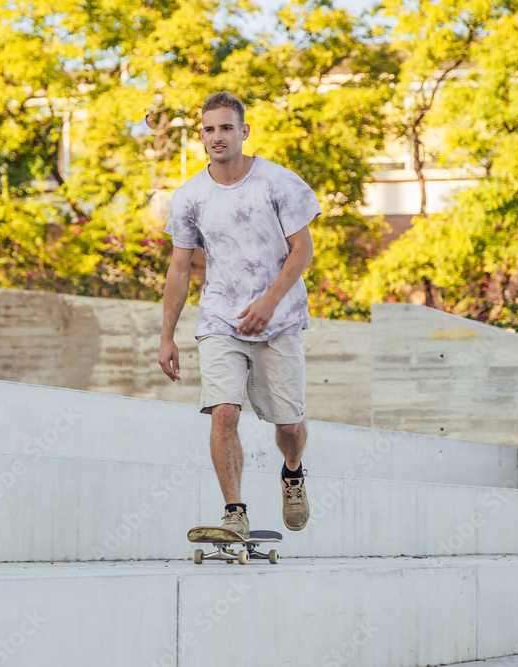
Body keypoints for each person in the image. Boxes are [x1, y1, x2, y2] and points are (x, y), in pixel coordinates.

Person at [158, 91, 321, 538]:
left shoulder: (277, 182)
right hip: (219, 319)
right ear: (201, 135)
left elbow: (302, 248)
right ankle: (235, 511)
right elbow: (179, 266)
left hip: (279, 319)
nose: (217, 136)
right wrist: (167, 335)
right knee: (224, 412)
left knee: (288, 424)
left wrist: (269, 303)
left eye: (226, 127)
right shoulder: (189, 196)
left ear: (243, 131)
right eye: (209, 129)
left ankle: (292, 471)